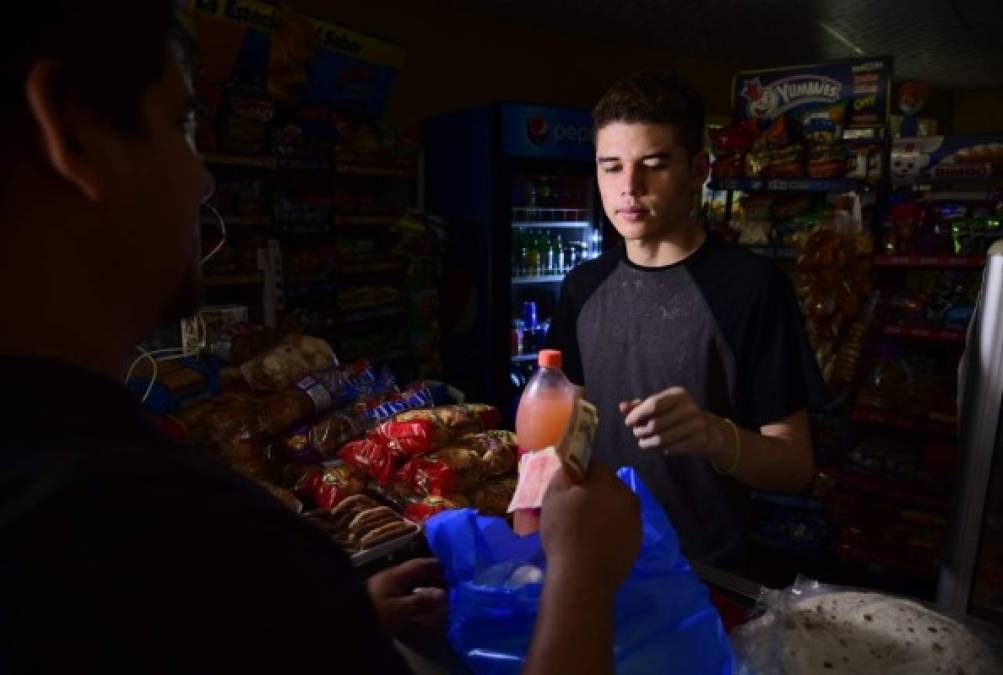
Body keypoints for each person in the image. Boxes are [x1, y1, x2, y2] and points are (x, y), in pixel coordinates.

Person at [0, 4, 641, 673]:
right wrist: (583, 576)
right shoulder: (174, 536)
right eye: (180, 124)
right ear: (70, 134)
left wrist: (323, 620)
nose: (204, 179)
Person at [547, 71, 826, 569]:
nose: (628, 188)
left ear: (698, 169)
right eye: (611, 167)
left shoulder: (750, 288)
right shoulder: (582, 286)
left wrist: (713, 434)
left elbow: (795, 466)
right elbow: (582, 418)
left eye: (653, 165)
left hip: (702, 570)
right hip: (596, 555)